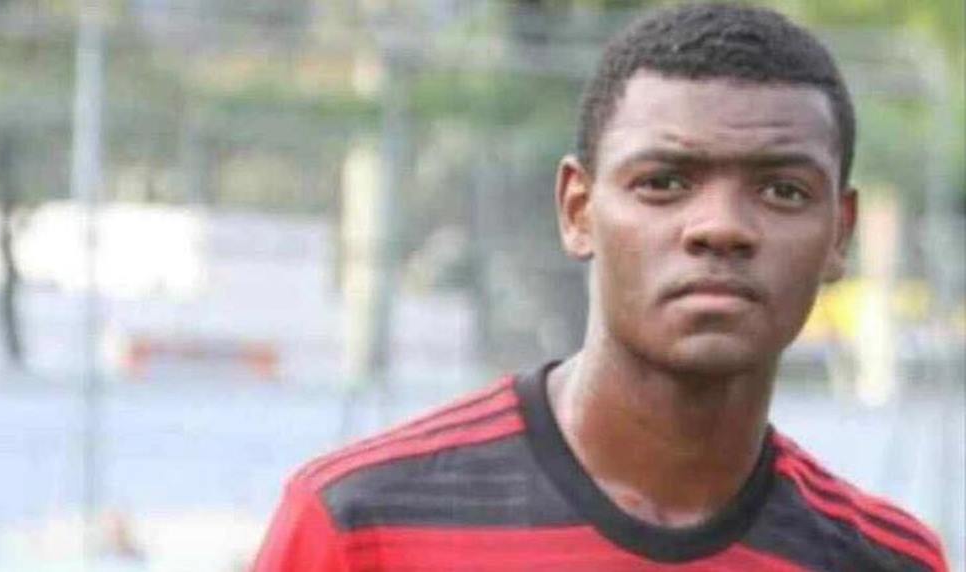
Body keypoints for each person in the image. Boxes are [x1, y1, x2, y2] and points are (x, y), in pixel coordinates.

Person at [253, 4, 948, 570]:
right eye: (663, 182)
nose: (721, 227)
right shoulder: (361, 524)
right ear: (578, 211)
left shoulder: (886, 560)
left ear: (839, 234)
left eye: (782, 190)